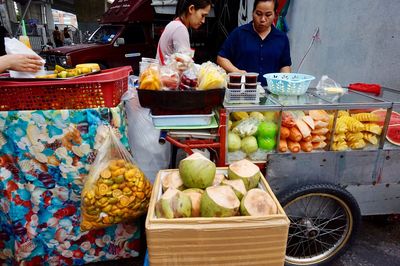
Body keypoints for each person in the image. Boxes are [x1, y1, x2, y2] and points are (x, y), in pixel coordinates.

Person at [217, 0, 291, 85]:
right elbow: (221, 58)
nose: (263, 19)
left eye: (268, 15)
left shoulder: (281, 38)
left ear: (275, 14)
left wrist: (285, 85)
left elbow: (285, 66)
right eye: (258, 14)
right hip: (243, 90)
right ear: (252, 13)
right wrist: (237, 71)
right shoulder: (239, 34)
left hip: (270, 92)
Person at [156, 0, 212, 65]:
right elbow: (185, 65)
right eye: (202, 15)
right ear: (191, 9)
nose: (203, 21)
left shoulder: (174, 24)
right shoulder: (180, 29)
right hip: (167, 74)